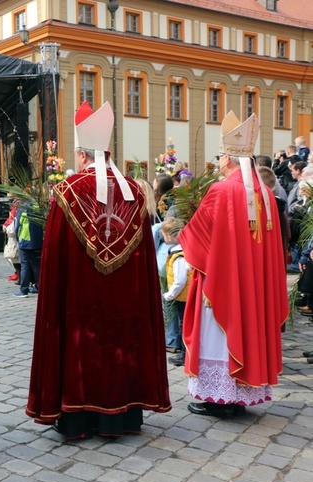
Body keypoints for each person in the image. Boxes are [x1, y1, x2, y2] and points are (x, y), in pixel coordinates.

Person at [26, 101, 171, 439]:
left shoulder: (67, 192)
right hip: (126, 306)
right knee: (123, 345)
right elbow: (146, 261)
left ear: (81, 155)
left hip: (79, 306)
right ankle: (125, 415)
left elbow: (54, 262)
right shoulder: (137, 193)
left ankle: (77, 418)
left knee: (81, 346)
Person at [179, 111, 287, 419]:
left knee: (217, 336)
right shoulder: (265, 194)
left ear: (228, 158)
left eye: (218, 157)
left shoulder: (221, 190)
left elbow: (196, 238)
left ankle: (218, 398)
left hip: (222, 286)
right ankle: (240, 395)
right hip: (254, 288)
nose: (217, 163)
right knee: (248, 327)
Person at [161, 217, 191, 367]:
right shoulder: (183, 251)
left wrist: (168, 295)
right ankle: (185, 354)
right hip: (184, 296)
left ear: (171, 236)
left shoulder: (178, 257)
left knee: (184, 326)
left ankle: (185, 356)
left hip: (183, 297)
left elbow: (180, 280)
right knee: (185, 325)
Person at [13, 206, 42, 297]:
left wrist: (18, 239)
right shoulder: (39, 207)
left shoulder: (23, 208)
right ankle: (38, 287)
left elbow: (17, 225)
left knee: (25, 266)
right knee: (37, 265)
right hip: (38, 241)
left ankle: (24, 289)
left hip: (25, 241)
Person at [3, 205, 21, 282]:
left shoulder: (17, 207)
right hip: (15, 236)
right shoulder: (15, 205)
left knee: (16, 258)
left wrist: (6, 227)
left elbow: (12, 223)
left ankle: (20, 277)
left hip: (15, 237)